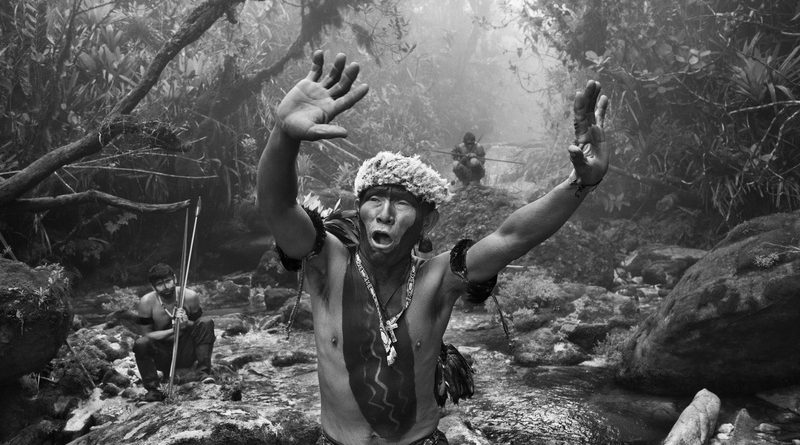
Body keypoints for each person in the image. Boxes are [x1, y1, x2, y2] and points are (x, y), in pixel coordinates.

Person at [257, 51, 608, 445]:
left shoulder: (439, 279)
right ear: (359, 209)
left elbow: (513, 237)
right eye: (374, 199)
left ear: (428, 221)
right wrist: (283, 135)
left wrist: (581, 183)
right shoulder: (327, 265)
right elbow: (278, 206)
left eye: (402, 202)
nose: (385, 213)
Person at [133, 263, 215, 402]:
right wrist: (173, 330)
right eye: (160, 284)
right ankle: (153, 389)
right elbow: (146, 335)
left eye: (168, 281)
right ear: (153, 286)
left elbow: (199, 327)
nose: (166, 287)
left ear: (175, 278)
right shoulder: (146, 302)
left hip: (187, 351)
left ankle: (203, 373)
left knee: (206, 322)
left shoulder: (190, 296)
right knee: (141, 344)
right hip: (163, 356)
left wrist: (186, 323)